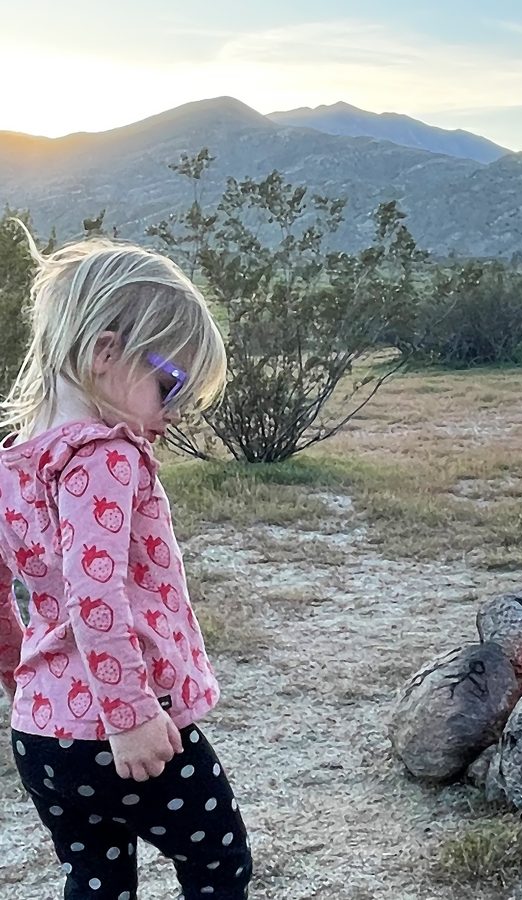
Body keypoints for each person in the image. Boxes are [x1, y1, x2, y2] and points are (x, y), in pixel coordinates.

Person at [0, 225, 252, 899]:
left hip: (41, 736)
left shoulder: (11, 464)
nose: (171, 413)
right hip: (121, 730)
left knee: (95, 877)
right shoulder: (104, 453)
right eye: (168, 383)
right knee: (219, 867)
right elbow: (94, 597)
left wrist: (24, 687)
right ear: (107, 353)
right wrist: (130, 714)